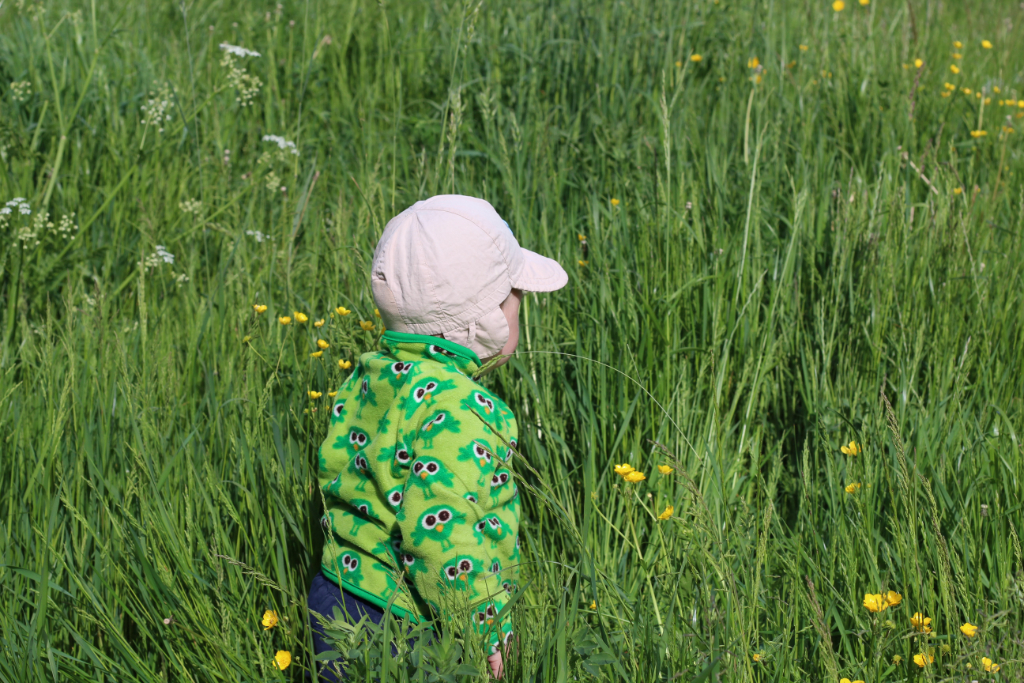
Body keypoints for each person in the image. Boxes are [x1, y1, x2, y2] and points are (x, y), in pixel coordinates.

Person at [308, 195, 568, 680]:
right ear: (486, 319)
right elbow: (439, 528)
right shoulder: (464, 410)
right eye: (516, 300)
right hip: (407, 621)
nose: (520, 313)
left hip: (334, 592)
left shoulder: (368, 376)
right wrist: (486, 629)